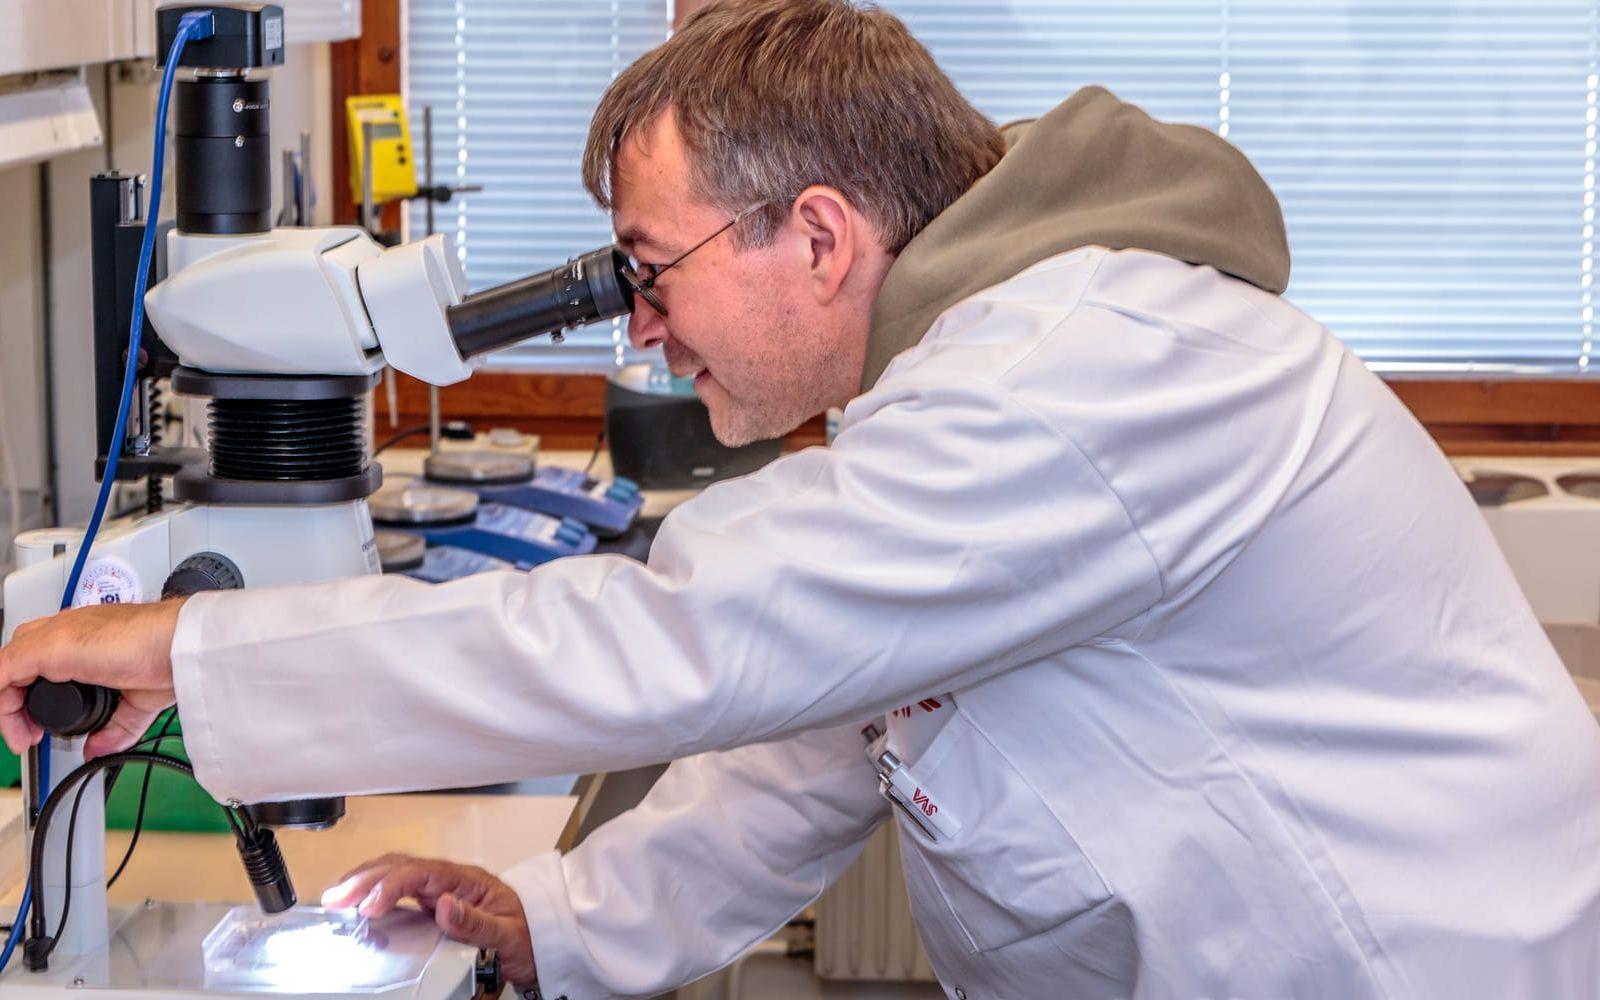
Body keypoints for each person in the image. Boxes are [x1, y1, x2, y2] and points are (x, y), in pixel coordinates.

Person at [5, 2, 1600, 997]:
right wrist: (557, 917)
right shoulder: (968, 387)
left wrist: (172, 651)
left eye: (651, 272)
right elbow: (826, 736)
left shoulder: (1087, 368)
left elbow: (681, 640)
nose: (638, 327)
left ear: (820, 238)